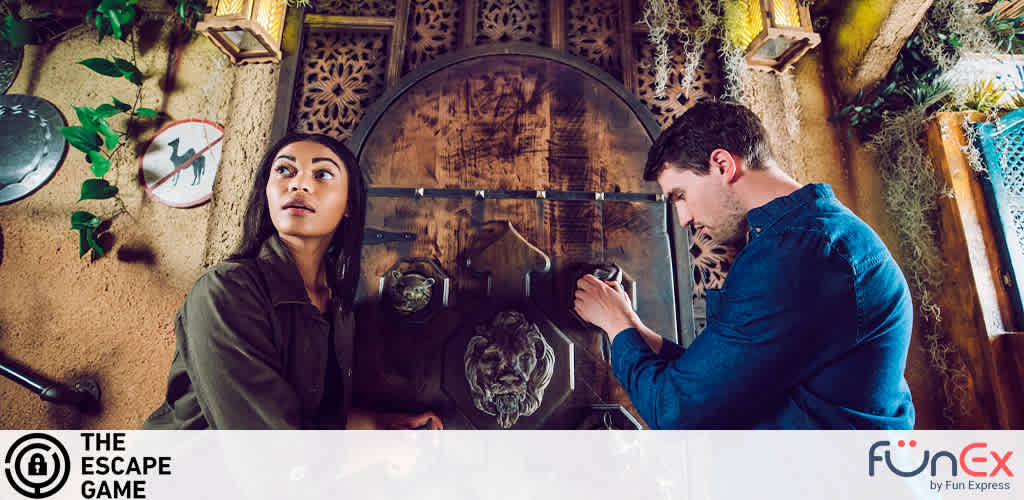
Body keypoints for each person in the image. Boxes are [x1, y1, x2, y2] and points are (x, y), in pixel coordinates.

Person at [574, 102, 915, 429]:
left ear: (722, 165)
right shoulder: (802, 238)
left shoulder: (801, 254)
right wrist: (634, 328)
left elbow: (676, 411)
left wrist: (616, 326)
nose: (683, 218)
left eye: (680, 196)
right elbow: (727, 379)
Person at [144, 133, 442, 430]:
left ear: (349, 204)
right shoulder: (225, 290)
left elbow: (310, 420)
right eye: (285, 171)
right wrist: (378, 451)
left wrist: (381, 425)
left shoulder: (338, 308)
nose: (299, 183)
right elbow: (269, 450)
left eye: (322, 174)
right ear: (267, 192)